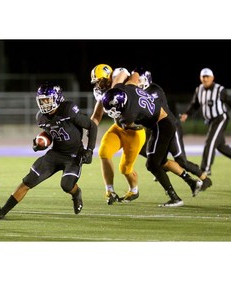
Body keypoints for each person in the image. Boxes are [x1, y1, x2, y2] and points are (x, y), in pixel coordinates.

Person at [0, 82, 97, 219]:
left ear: (57, 98)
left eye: (47, 99)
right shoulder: (40, 117)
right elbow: (51, 135)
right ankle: (2, 211)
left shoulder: (68, 109)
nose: (45, 103)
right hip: (55, 154)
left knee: (66, 185)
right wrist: (39, 144)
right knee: (28, 181)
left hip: (73, 156)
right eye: (42, 100)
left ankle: (76, 193)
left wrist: (90, 150)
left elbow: (92, 126)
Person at [101, 69, 202, 207]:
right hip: (163, 121)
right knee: (161, 161)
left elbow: (130, 126)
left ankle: (175, 198)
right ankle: (192, 182)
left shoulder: (128, 115)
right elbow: (134, 74)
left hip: (162, 125)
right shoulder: (127, 88)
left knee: (152, 164)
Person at [138, 70, 212, 191]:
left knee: (181, 161)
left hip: (170, 127)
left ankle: (204, 178)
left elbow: (150, 111)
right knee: (142, 149)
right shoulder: (140, 92)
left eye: (139, 80)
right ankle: (163, 166)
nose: (137, 82)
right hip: (155, 129)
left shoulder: (154, 91)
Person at [90, 64, 146, 205]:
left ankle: (134, 190)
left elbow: (122, 75)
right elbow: (97, 116)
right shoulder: (102, 92)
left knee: (125, 169)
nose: (98, 84)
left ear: (108, 77)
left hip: (135, 131)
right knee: (104, 152)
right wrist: (86, 130)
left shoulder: (119, 75)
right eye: (96, 82)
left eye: (100, 80)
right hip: (119, 128)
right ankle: (110, 190)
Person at [180, 68, 231, 176]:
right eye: (203, 77)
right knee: (220, 145)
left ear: (212, 78)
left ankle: (205, 169)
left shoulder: (220, 89)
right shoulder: (199, 89)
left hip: (220, 118)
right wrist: (187, 113)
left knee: (210, 142)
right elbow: (195, 104)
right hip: (210, 121)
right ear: (200, 78)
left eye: (207, 77)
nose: (205, 79)